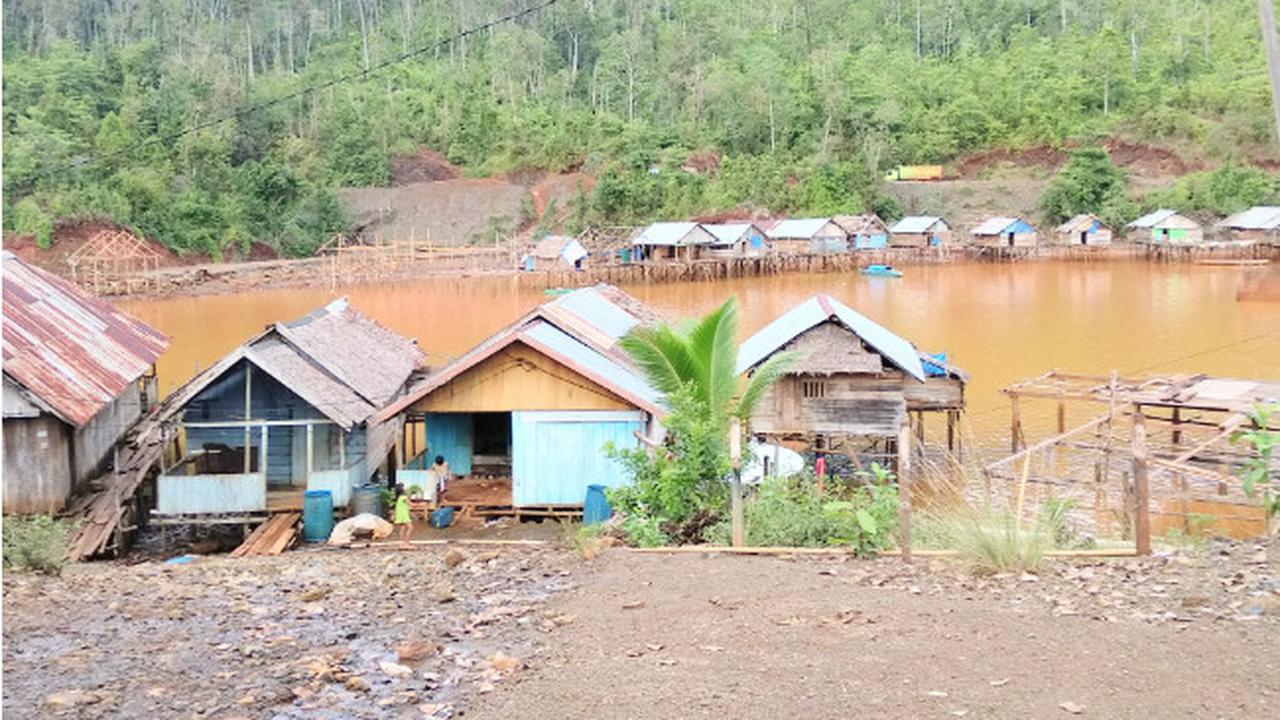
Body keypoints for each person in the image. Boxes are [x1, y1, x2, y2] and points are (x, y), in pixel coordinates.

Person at [393, 483, 412, 548]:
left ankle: (402, 543)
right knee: (410, 528)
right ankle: (406, 543)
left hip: (400, 514)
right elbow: (410, 504)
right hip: (404, 514)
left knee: (402, 528)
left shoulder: (399, 497)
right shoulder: (404, 497)